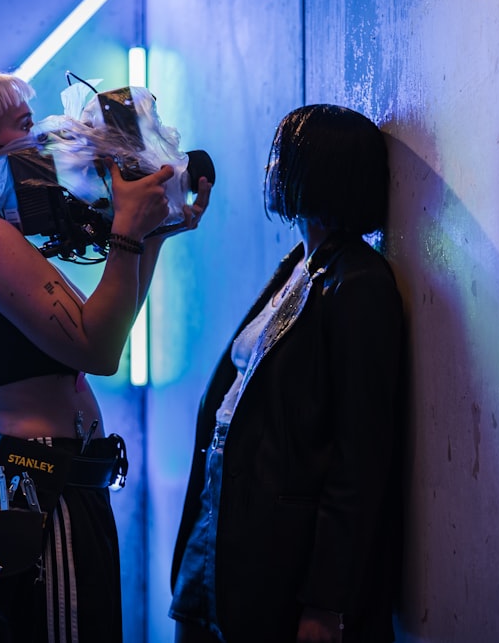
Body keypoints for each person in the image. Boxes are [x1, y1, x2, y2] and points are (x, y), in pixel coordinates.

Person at [0, 66, 211, 643]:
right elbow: (99, 349)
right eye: (27, 125)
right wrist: (128, 233)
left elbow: (107, 324)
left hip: (62, 486)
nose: (48, 140)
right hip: (41, 496)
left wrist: (152, 232)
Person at [169, 104, 404, 643]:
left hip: (278, 566)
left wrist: (326, 601)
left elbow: (361, 457)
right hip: (220, 544)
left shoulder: (360, 282)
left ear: (317, 171)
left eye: (283, 155)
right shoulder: (299, 267)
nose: (271, 168)